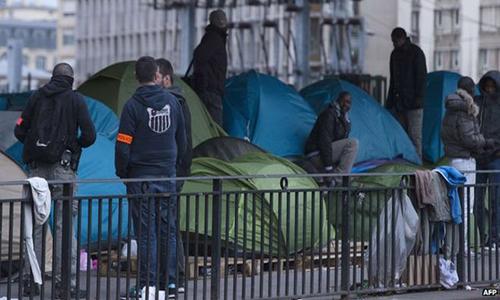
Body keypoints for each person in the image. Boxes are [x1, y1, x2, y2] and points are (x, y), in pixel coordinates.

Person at [14, 63, 95, 298]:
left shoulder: (36, 97)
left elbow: (20, 130)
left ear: (52, 77)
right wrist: (72, 145)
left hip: (36, 170)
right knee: (64, 228)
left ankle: (32, 282)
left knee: (36, 226)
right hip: (63, 170)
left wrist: (36, 147)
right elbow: (89, 135)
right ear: (71, 79)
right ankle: (64, 286)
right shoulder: (76, 100)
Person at [115, 56, 186, 297]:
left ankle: (148, 286)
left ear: (137, 77)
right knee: (168, 230)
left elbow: (123, 144)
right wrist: (177, 170)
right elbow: (182, 141)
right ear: (157, 76)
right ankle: (172, 284)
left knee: (147, 234)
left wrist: (123, 173)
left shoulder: (132, 107)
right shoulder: (173, 103)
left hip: (140, 178)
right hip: (167, 175)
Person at [441, 76, 494, 250]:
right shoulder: (464, 110)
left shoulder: (451, 109)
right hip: (465, 161)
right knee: (465, 206)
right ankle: (461, 248)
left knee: (454, 205)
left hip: (453, 160)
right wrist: (484, 141)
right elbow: (469, 138)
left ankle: (452, 246)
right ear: (470, 91)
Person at [155, 58, 192, 293]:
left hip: (173, 172)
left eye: (156, 77)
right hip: (174, 171)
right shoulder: (173, 102)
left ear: (167, 78)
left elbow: (183, 142)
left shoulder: (175, 103)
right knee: (169, 223)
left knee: (167, 224)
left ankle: (174, 275)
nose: (153, 82)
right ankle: (174, 274)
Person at [386, 27, 427, 159]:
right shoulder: (397, 54)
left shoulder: (415, 53)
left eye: (395, 41)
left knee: (414, 136)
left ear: (402, 39)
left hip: (412, 103)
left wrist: (418, 98)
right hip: (401, 103)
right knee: (405, 136)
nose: (394, 44)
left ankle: (416, 165)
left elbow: (421, 77)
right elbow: (393, 80)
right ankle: (409, 163)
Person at [304, 91, 359, 186]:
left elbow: (339, 144)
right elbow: (324, 141)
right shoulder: (329, 114)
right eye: (344, 101)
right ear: (338, 100)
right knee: (353, 143)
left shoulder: (345, 119)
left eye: (349, 102)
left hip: (326, 155)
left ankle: (339, 179)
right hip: (316, 155)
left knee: (351, 148)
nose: (346, 104)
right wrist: (329, 168)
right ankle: (337, 180)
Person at [474, 71, 500, 249]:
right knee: (476, 200)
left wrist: (494, 147)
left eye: (493, 86)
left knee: (495, 200)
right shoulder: (476, 102)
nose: (489, 89)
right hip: (479, 157)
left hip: (496, 157)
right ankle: (483, 236)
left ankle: (494, 237)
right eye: (487, 86)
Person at [192, 9, 228, 126]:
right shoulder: (214, 38)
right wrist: (205, 86)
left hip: (209, 90)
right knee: (216, 129)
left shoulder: (213, 38)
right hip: (211, 92)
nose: (222, 22)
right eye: (220, 19)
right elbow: (200, 57)